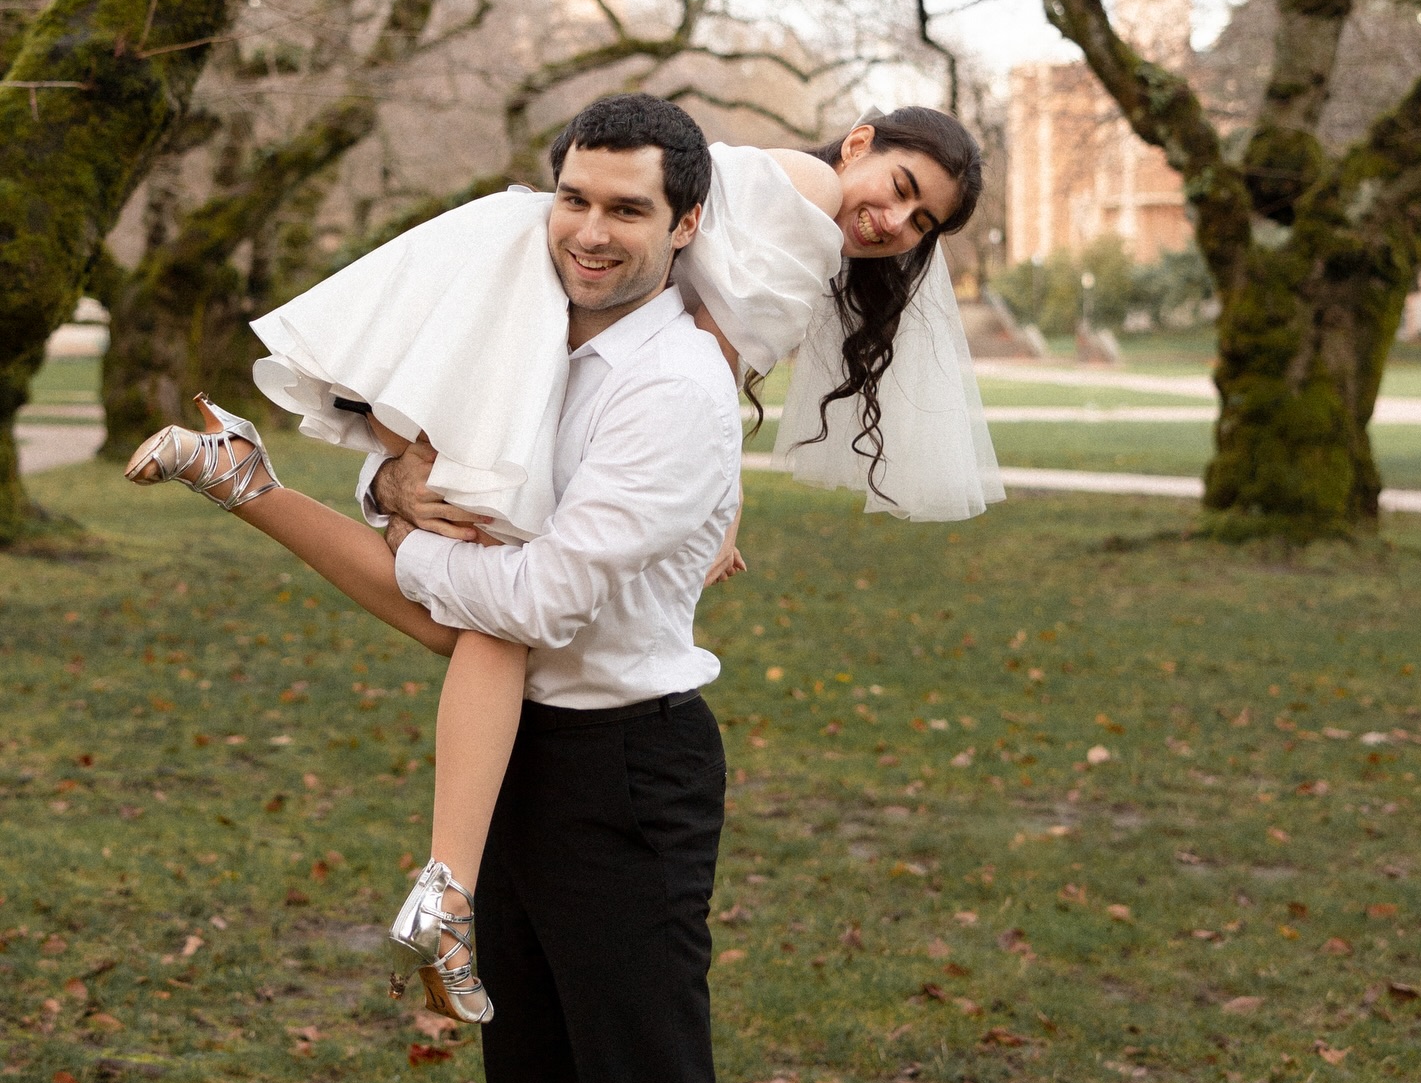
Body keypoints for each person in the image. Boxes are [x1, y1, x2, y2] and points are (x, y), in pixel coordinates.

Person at [126, 98, 1001, 1035]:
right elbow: (708, 342)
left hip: (531, 307)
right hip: (528, 309)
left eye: (922, 225)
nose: (892, 223)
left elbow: (711, 356)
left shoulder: (746, 245)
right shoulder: (809, 185)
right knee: (492, 601)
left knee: (476, 608)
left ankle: (242, 482)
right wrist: (713, 488)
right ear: (860, 143)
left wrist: (710, 489)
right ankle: (444, 890)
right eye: (901, 188)